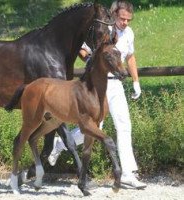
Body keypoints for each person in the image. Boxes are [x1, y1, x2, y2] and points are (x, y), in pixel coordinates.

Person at [48, 0, 146, 189]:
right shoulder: (100, 30)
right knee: (94, 126)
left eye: (128, 20)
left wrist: (135, 81)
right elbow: (81, 48)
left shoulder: (129, 33)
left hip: (116, 84)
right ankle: (61, 144)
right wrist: (91, 59)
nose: (125, 23)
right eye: (122, 18)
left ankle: (127, 173)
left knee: (124, 125)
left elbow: (130, 57)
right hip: (98, 85)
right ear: (114, 14)